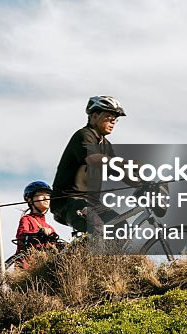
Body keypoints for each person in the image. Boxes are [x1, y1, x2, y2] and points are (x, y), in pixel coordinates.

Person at [51, 95, 126, 233]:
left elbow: (118, 171)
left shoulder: (106, 144)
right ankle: (86, 254)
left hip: (92, 202)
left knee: (121, 226)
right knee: (96, 228)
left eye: (115, 119)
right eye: (109, 117)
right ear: (94, 116)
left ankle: (111, 254)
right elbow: (94, 159)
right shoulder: (83, 135)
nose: (113, 122)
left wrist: (144, 180)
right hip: (68, 200)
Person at [13, 181, 63, 262]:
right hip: (27, 268)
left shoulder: (50, 228)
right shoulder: (27, 219)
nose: (46, 198)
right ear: (29, 199)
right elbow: (21, 238)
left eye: (48, 195)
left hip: (45, 269)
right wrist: (39, 233)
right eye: (41, 194)